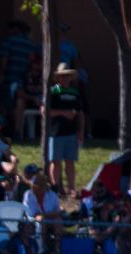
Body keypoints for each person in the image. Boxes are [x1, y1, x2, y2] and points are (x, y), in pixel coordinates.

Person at [46, 63, 84, 196]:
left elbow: (80, 113)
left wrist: (81, 131)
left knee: (70, 162)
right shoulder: (53, 91)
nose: (65, 79)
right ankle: (55, 187)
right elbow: (46, 111)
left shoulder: (75, 92)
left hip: (71, 132)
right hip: (56, 132)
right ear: (58, 78)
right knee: (55, 162)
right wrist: (63, 113)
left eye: (67, 76)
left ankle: (72, 188)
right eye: (62, 76)